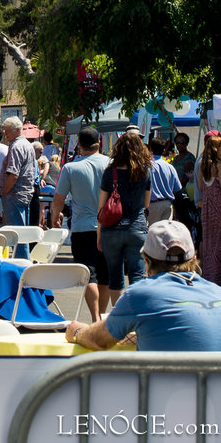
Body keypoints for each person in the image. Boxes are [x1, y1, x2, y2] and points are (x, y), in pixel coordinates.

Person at [66, 220, 221, 352]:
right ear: (194, 259)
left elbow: (99, 340)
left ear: (146, 262)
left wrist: (77, 331)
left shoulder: (140, 295)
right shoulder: (217, 291)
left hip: (162, 386)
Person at [51, 127, 110, 322]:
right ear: (98, 143)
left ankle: (95, 317)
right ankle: (101, 315)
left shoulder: (71, 167)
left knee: (88, 274)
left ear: (79, 145)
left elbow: (59, 198)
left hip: (82, 227)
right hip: (107, 225)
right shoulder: (110, 164)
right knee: (104, 274)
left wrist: (55, 218)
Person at [98, 131, 151, 303]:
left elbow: (102, 207)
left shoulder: (109, 173)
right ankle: (136, 317)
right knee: (137, 275)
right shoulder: (145, 172)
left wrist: (99, 234)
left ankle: (119, 318)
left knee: (115, 277)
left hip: (111, 229)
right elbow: (146, 204)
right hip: (136, 227)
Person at [0, 116, 38, 259]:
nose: (5, 134)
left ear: (16, 130)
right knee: (23, 234)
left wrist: (4, 192)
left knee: (18, 236)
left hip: (14, 194)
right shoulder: (28, 145)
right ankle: (23, 263)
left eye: (7, 131)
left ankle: (21, 267)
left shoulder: (16, 147)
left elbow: (13, 174)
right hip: (24, 193)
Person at [197, 135, 221, 284]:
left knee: (209, 242)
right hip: (218, 206)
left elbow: (200, 186)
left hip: (206, 206)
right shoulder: (217, 165)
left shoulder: (202, 165)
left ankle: (210, 275)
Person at [147, 136, 182, 225]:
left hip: (152, 205)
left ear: (150, 149)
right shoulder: (170, 167)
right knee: (165, 234)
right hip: (167, 204)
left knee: (152, 233)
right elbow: (177, 188)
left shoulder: (147, 166)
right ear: (164, 150)